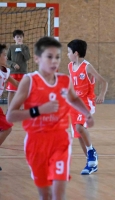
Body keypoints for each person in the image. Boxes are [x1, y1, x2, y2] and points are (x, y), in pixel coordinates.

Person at [6, 36, 94, 199]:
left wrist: (87, 113)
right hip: (36, 142)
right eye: (49, 57)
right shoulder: (29, 81)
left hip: (60, 141)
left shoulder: (64, 80)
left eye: (58, 57)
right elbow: (11, 115)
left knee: (58, 194)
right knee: (45, 195)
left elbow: (73, 99)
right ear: (38, 59)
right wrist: (38, 110)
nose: (54, 61)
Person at [67, 39, 108, 175]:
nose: (67, 54)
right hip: (75, 103)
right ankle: (91, 163)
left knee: (80, 127)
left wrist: (101, 94)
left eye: (68, 52)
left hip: (86, 102)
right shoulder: (70, 66)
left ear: (76, 53)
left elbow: (104, 82)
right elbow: (72, 85)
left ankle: (91, 151)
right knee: (79, 135)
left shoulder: (87, 67)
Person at [0, 43, 19, 171]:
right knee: (7, 128)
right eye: (4, 55)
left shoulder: (6, 72)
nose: (6, 57)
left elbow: (16, 83)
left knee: (7, 128)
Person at [6, 29, 30, 107]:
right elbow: (7, 60)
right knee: (11, 91)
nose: (19, 38)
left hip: (23, 72)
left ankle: (24, 108)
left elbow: (27, 57)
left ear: (23, 38)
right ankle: (9, 109)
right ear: (14, 38)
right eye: (17, 37)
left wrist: (21, 47)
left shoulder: (25, 47)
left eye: (21, 37)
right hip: (13, 73)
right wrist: (13, 64)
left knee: (23, 91)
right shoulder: (11, 47)